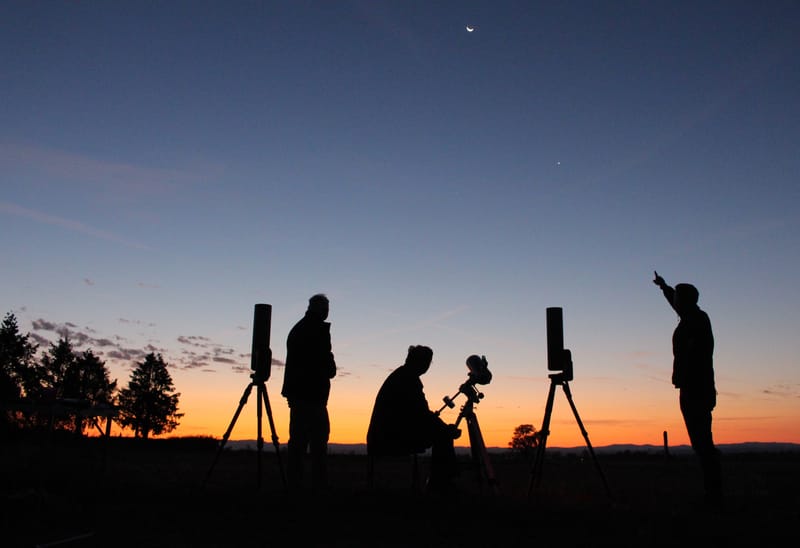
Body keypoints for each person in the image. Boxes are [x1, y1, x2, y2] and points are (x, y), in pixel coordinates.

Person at [653, 271, 722, 504]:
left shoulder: (697, 321)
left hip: (697, 389)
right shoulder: (692, 316)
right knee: (700, 443)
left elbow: (697, 355)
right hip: (692, 387)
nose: (676, 302)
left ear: (686, 301)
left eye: (678, 298)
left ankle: (714, 494)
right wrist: (664, 286)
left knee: (703, 443)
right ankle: (713, 492)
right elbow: (675, 302)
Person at [367, 345, 461, 492]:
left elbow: (418, 414)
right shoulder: (409, 379)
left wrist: (438, 425)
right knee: (444, 436)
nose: (427, 366)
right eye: (427, 362)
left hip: (387, 433)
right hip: (390, 437)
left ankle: (440, 483)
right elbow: (422, 413)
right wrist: (445, 429)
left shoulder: (402, 375)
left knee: (441, 432)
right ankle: (441, 485)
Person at [281, 293, 337, 493]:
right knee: (318, 444)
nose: (327, 312)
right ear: (319, 310)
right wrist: (330, 365)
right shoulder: (317, 331)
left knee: (298, 443)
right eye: (326, 309)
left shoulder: (299, 329)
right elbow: (328, 367)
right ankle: (318, 487)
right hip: (312, 396)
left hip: (299, 395)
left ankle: (294, 486)